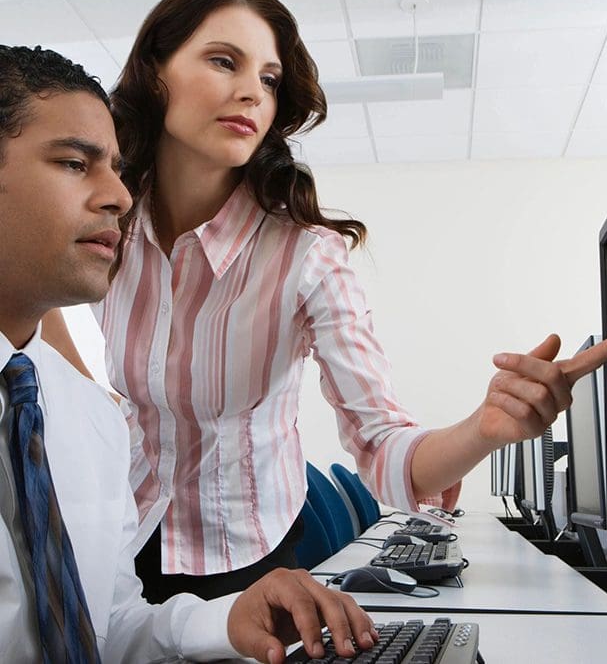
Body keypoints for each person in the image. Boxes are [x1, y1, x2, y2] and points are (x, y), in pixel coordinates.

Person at [43, 0, 607, 602]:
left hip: (245, 563)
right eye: (224, 61)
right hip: (119, 535)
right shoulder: (114, 215)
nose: (252, 93)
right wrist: (90, 397)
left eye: (269, 79)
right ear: (156, 71)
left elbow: (382, 450)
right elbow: (35, 286)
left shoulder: (306, 257)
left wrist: (485, 430)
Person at [0, 43, 379, 663]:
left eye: (117, 169)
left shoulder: (89, 422)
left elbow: (113, 625)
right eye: (74, 163)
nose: (119, 197)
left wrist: (228, 620)